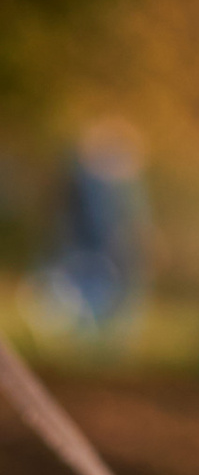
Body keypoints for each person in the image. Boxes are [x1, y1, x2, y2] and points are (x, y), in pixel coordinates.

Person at [35, 121, 147, 337]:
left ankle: (97, 334)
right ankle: (86, 333)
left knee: (105, 295)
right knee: (87, 292)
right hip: (87, 247)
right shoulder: (88, 180)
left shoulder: (120, 183)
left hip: (102, 249)